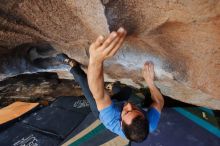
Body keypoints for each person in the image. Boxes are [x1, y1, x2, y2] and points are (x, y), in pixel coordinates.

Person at [61, 27, 164, 143]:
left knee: (85, 83)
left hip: (100, 110)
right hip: (117, 104)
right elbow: (159, 102)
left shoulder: (110, 117)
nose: (129, 105)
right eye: (135, 109)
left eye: (127, 111)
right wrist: (150, 82)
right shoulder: (151, 124)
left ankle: (72, 66)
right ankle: (113, 87)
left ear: (120, 121)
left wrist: (95, 60)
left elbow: (98, 93)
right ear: (145, 117)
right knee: (127, 91)